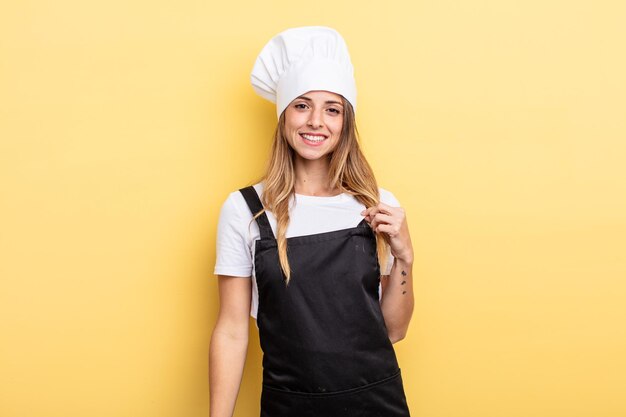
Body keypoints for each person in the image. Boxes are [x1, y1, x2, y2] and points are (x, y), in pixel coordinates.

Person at [209, 26, 414, 417]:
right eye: (302, 105)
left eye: (331, 109)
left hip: (376, 403)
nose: (316, 121)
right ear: (285, 115)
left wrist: (404, 258)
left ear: (345, 122)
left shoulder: (377, 205)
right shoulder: (246, 209)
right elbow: (232, 331)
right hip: (290, 405)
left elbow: (394, 331)